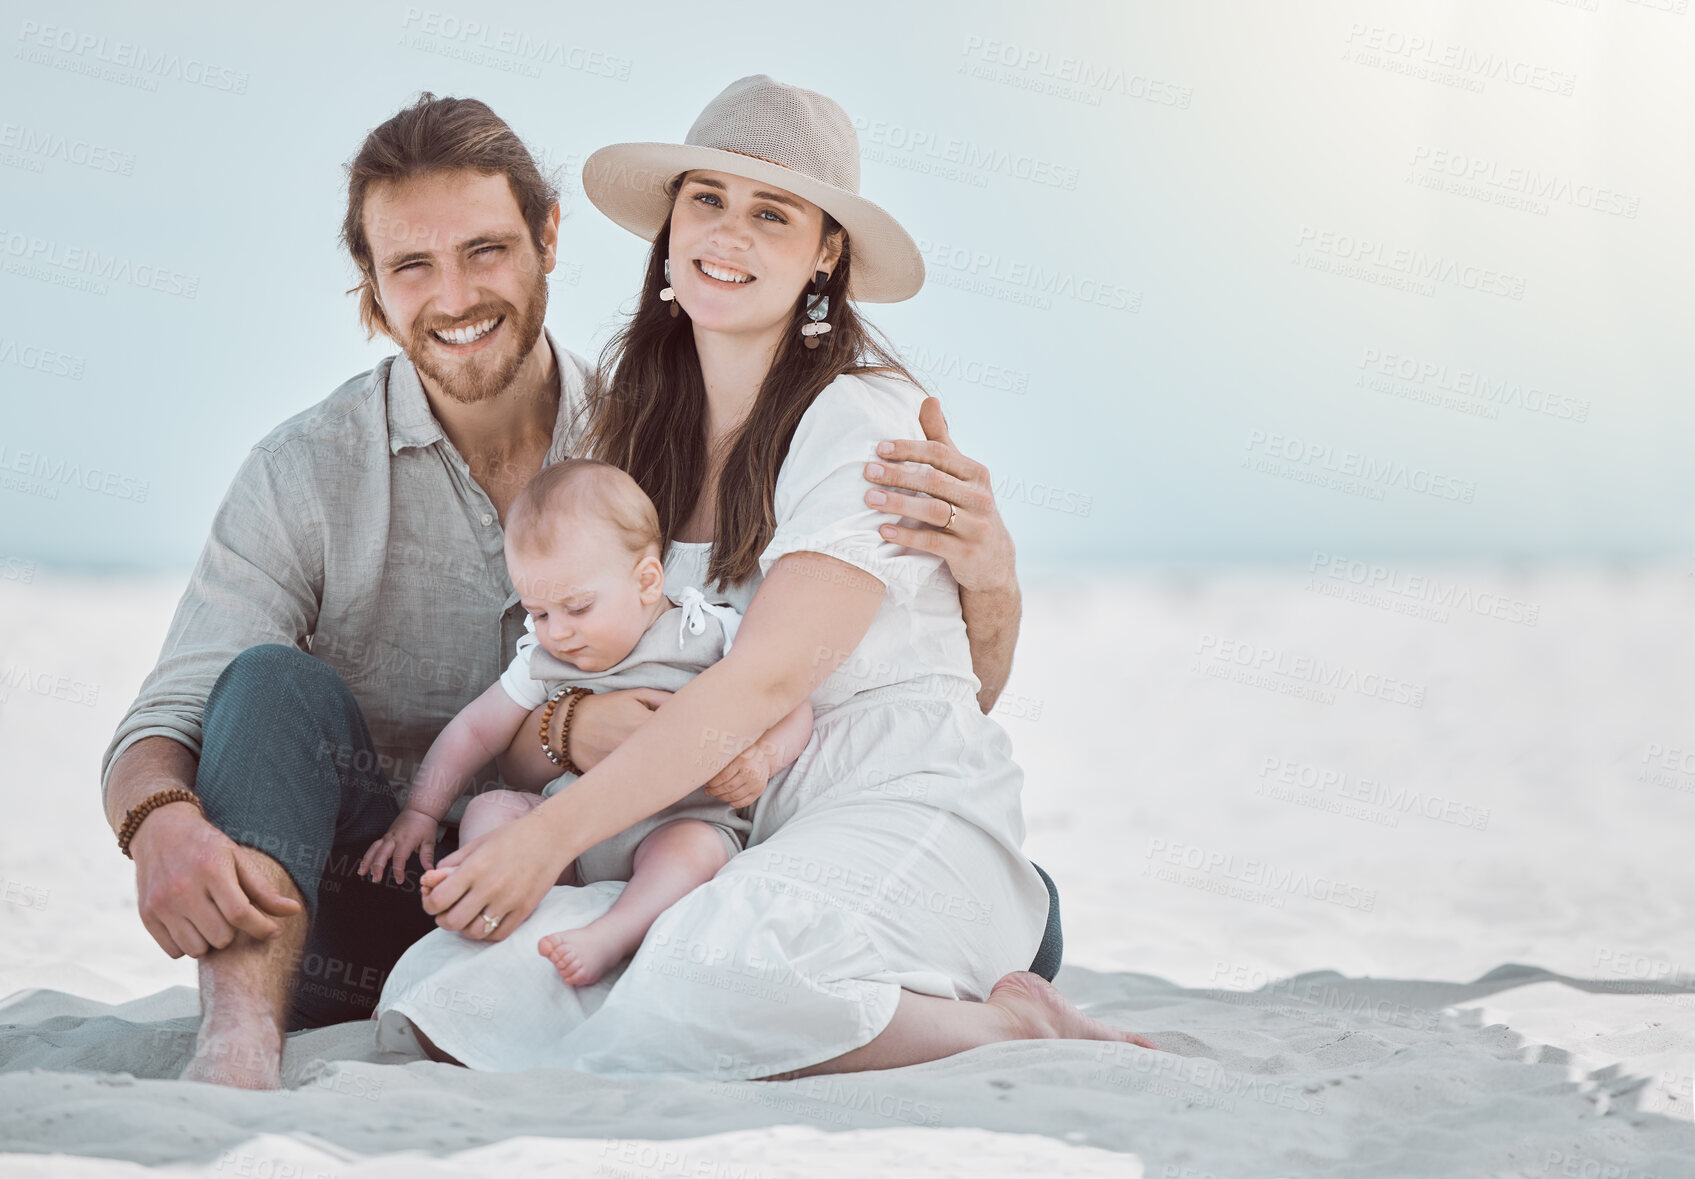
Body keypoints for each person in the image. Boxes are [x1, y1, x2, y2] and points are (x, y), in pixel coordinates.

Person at [97, 91, 1040, 1090]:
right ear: (372, 292)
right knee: (291, 732)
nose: (455, 294)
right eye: (414, 265)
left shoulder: (680, 434)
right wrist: (158, 814)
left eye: (486, 250)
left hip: (673, 833)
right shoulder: (347, 468)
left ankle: (991, 1008)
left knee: (761, 957)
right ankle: (241, 1042)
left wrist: (991, 575)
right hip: (457, 855)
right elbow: (177, 712)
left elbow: (879, 678)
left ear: (550, 238)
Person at [374, 75, 1155, 1080]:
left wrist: (549, 838)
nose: (727, 235)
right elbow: (555, 671)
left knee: (723, 968)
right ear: (671, 222)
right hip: (722, 830)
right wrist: (565, 740)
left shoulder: (864, 420)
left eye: (772, 214)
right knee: (451, 986)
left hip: (897, 807)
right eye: (708, 200)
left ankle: (1014, 1030)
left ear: (826, 252)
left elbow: (771, 683)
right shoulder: (630, 441)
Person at [358, 457, 813, 986]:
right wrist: (421, 811)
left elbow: (790, 698)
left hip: (676, 822)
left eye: (577, 607)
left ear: (646, 581)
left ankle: (613, 932)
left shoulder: (707, 631)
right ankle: (490, 894)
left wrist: (762, 758)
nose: (559, 633)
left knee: (693, 850)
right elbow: (474, 729)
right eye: (540, 612)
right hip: (565, 835)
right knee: (491, 807)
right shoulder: (542, 658)